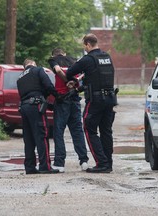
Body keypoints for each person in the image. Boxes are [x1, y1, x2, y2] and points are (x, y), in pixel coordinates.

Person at [66, 33, 117, 173]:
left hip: (96, 101)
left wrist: (75, 80)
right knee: (106, 131)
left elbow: (69, 72)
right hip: (110, 98)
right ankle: (108, 164)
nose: (85, 48)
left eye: (84, 46)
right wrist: (82, 85)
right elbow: (97, 78)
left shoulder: (88, 59)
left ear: (88, 44)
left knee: (89, 129)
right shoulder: (106, 57)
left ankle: (101, 163)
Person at [48, 48, 89, 173]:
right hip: (75, 98)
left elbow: (58, 70)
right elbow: (85, 74)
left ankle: (60, 163)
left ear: (53, 54)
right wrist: (75, 81)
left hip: (62, 100)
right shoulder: (74, 60)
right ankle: (84, 161)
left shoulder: (53, 60)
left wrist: (67, 81)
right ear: (64, 53)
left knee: (58, 132)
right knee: (77, 131)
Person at [17, 59, 60, 174]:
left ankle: (30, 167)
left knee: (29, 138)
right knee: (42, 135)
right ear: (33, 64)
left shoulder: (20, 77)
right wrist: (57, 96)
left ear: (24, 66)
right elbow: (48, 85)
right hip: (36, 107)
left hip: (24, 108)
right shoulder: (38, 70)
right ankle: (45, 166)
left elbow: (27, 92)